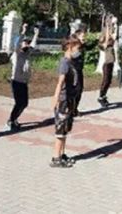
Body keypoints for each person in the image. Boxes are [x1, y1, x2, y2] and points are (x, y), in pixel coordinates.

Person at [50, 37, 81, 168]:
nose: (78, 51)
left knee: (66, 128)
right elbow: (60, 82)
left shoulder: (71, 62)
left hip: (70, 99)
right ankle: (56, 157)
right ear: (69, 47)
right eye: (77, 48)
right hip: (63, 100)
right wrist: (56, 98)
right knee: (61, 129)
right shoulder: (64, 63)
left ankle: (62, 154)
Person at [6, 23, 39, 131]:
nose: (27, 45)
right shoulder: (16, 53)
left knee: (24, 103)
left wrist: (36, 34)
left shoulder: (27, 53)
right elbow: (17, 44)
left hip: (24, 82)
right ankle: (11, 120)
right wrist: (23, 31)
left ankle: (14, 119)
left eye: (27, 43)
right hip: (16, 81)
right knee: (19, 103)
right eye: (25, 43)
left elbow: (33, 45)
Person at [97, 18, 116, 108]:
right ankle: (101, 97)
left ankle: (104, 96)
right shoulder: (104, 45)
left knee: (109, 81)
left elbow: (112, 37)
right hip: (106, 64)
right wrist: (107, 27)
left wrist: (111, 27)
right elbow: (107, 38)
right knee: (105, 81)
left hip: (111, 63)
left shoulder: (111, 43)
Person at [72, 28, 86, 116]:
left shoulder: (82, 45)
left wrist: (97, 41)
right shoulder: (75, 45)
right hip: (74, 70)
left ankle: (75, 108)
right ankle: (72, 109)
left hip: (80, 69)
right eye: (83, 36)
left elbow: (89, 47)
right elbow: (73, 56)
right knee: (76, 89)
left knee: (80, 89)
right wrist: (80, 47)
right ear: (78, 36)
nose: (84, 37)